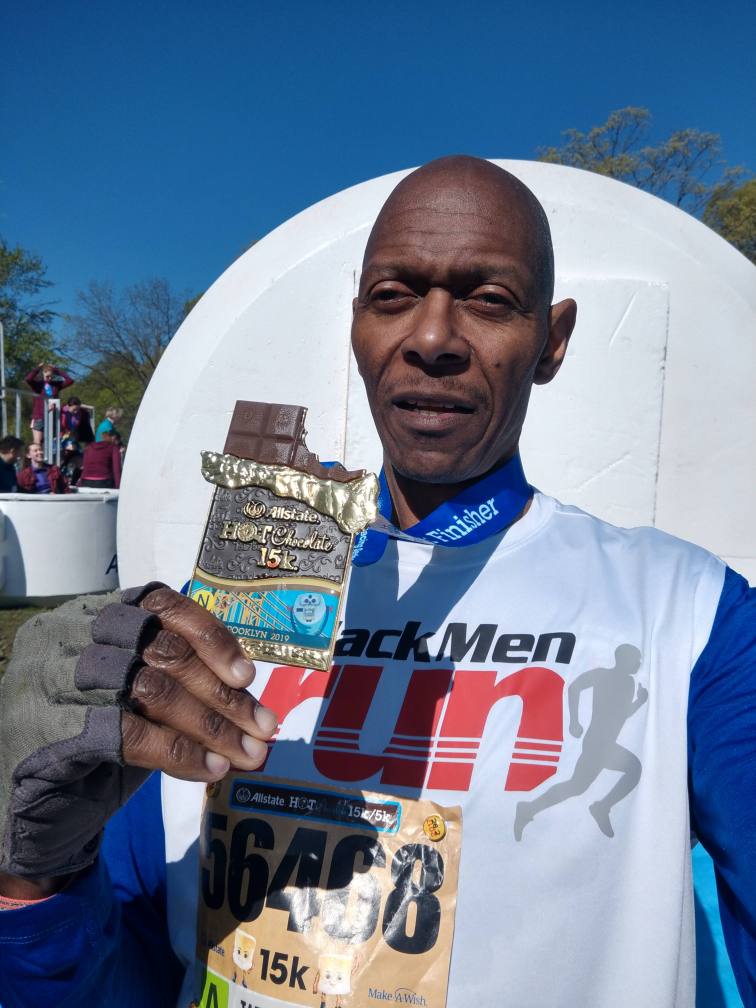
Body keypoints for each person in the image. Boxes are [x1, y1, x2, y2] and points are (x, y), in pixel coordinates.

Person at [0, 157, 754, 1008]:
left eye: (488, 299)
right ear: (357, 324)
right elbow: (119, 971)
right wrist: (32, 887)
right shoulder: (218, 613)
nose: (431, 338)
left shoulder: (689, 612)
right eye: (393, 295)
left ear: (552, 340)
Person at [25, 362, 74, 445]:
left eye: (51, 376)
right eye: (47, 376)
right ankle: (34, 452)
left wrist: (56, 370)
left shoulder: (56, 385)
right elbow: (28, 379)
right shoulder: (38, 385)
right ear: (43, 374)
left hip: (52, 416)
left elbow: (70, 381)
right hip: (39, 416)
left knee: (49, 442)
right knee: (37, 442)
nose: (49, 378)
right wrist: (37, 369)